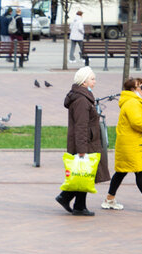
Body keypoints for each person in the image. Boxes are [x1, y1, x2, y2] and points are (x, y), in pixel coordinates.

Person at [103, 77, 142, 213]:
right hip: (133, 144)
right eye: (141, 87)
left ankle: (109, 199)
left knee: (121, 172)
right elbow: (136, 122)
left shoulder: (133, 101)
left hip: (131, 143)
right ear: (133, 89)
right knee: (140, 171)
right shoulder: (132, 103)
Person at [56, 66, 110, 216]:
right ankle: (67, 198)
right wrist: (81, 150)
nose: (95, 82)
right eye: (92, 79)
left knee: (85, 173)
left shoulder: (83, 96)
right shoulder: (81, 100)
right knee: (85, 173)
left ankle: (76, 203)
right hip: (85, 142)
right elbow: (80, 126)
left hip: (88, 141)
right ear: (84, 81)